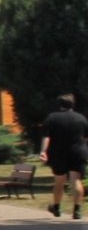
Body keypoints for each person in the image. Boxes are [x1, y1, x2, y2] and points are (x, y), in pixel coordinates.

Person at [41, 93, 88, 221]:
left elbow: (47, 136)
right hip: (78, 152)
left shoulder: (52, 118)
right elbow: (85, 137)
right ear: (73, 104)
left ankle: (56, 207)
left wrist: (43, 151)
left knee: (59, 181)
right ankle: (77, 210)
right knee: (76, 180)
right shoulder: (81, 118)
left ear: (60, 105)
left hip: (58, 153)